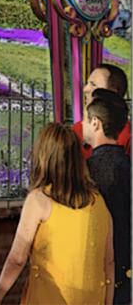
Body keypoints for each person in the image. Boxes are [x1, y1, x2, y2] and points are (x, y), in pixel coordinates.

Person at [0, 122, 114, 305]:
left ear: (43, 157)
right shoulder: (99, 203)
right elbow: (108, 263)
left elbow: (17, 260)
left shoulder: (40, 200)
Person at [84, 93, 132, 305]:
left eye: (86, 120)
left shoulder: (86, 171)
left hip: (97, 266)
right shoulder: (128, 165)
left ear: (96, 123)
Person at [77, 65, 132, 157]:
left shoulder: (129, 137)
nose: (85, 89)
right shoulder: (77, 129)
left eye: (93, 84)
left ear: (112, 93)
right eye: (87, 83)